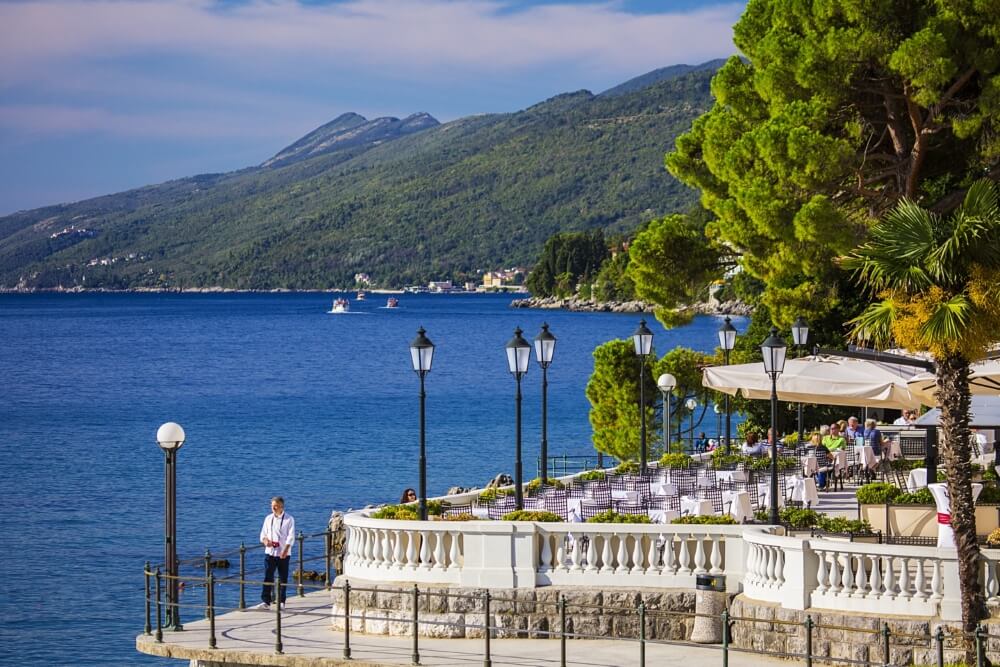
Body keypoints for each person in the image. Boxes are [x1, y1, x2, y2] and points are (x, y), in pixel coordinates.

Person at [254, 496, 295, 611]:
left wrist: (286, 549)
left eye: (275, 505)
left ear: (281, 506)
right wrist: (265, 541)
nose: (273, 507)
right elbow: (263, 534)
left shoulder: (289, 519)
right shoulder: (268, 518)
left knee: (283, 577)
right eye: (272, 505)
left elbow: (291, 537)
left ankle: (282, 602)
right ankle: (266, 601)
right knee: (268, 576)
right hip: (270, 552)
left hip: (283, 553)